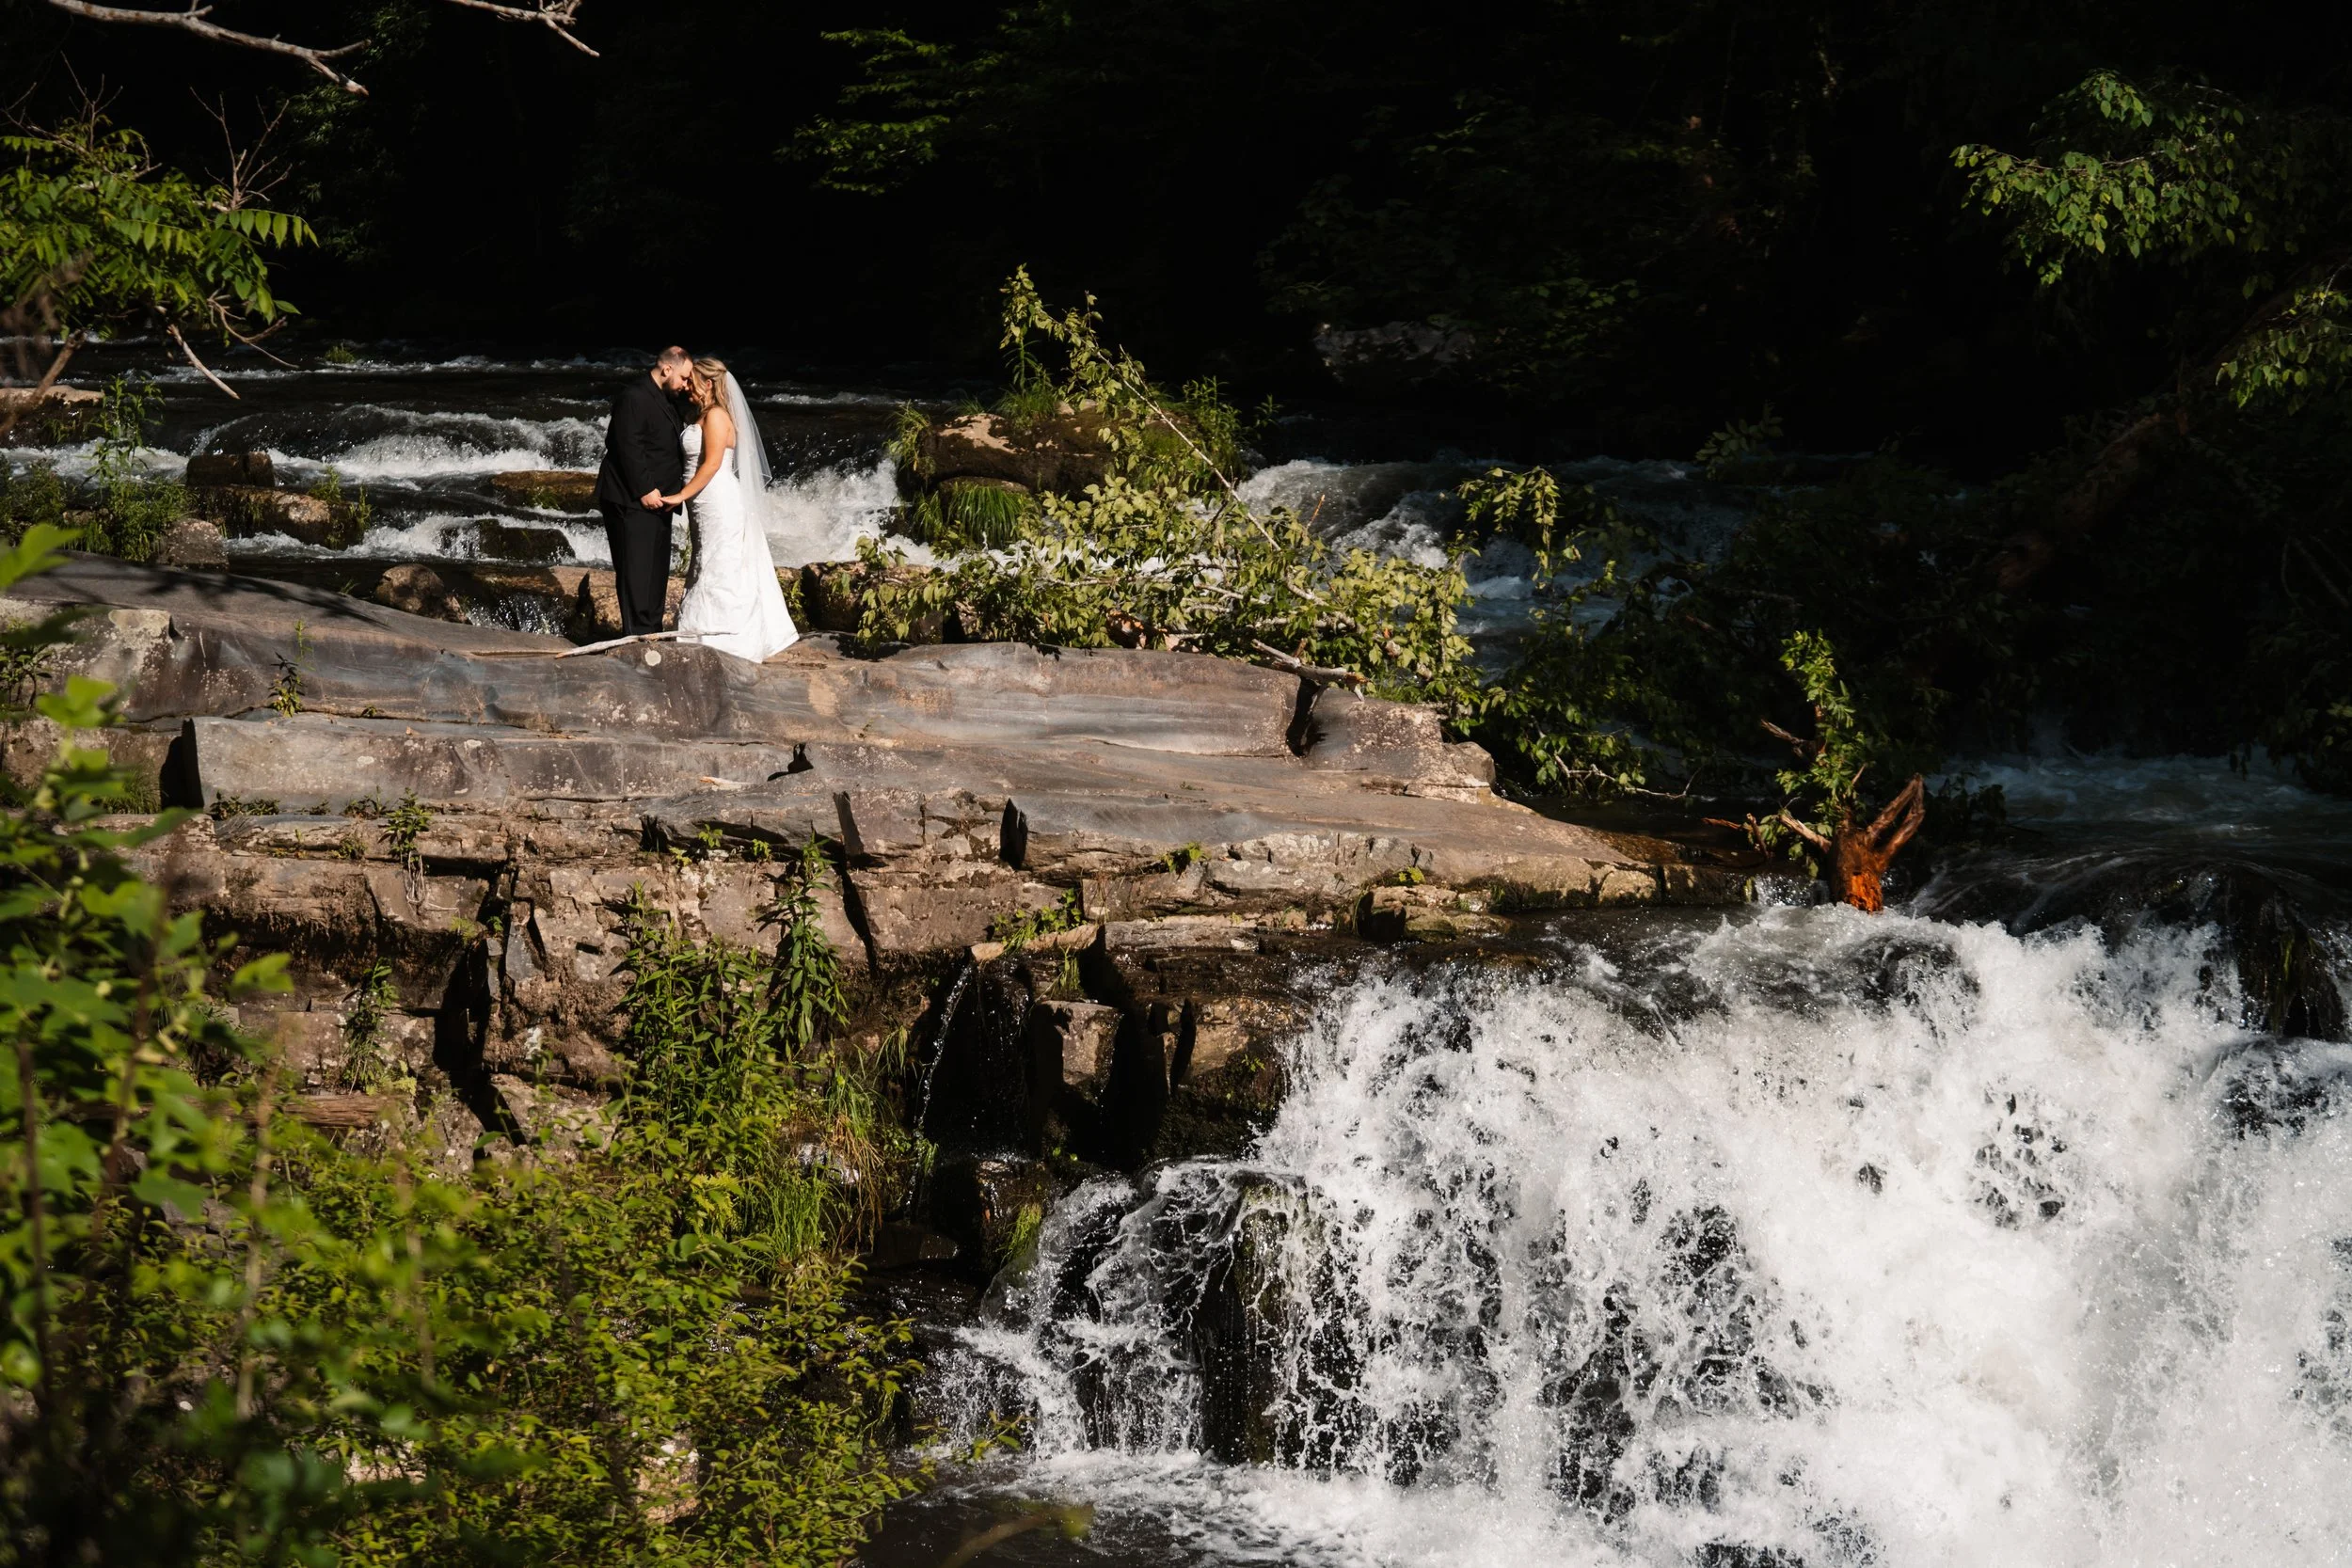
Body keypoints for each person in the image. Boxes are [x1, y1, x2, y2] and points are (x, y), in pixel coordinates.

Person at [657, 356, 800, 662]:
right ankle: (703, 634)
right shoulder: (705, 415)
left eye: (693, 383)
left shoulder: (717, 416)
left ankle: (723, 640)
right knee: (707, 559)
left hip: (718, 500)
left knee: (718, 563)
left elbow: (711, 465)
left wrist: (680, 495)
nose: (687, 389)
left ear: (708, 383)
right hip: (705, 503)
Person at [593, 345, 693, 637]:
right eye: (684, 378)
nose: (686, 385)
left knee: (655, 573)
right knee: (635, 574)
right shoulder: (634, 396)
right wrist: (645, 488)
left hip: (660, 502)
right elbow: (625, 445)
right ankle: (635, 639)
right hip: (631, 500)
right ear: (666, 369)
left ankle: (651, 634)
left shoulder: (668, 397)